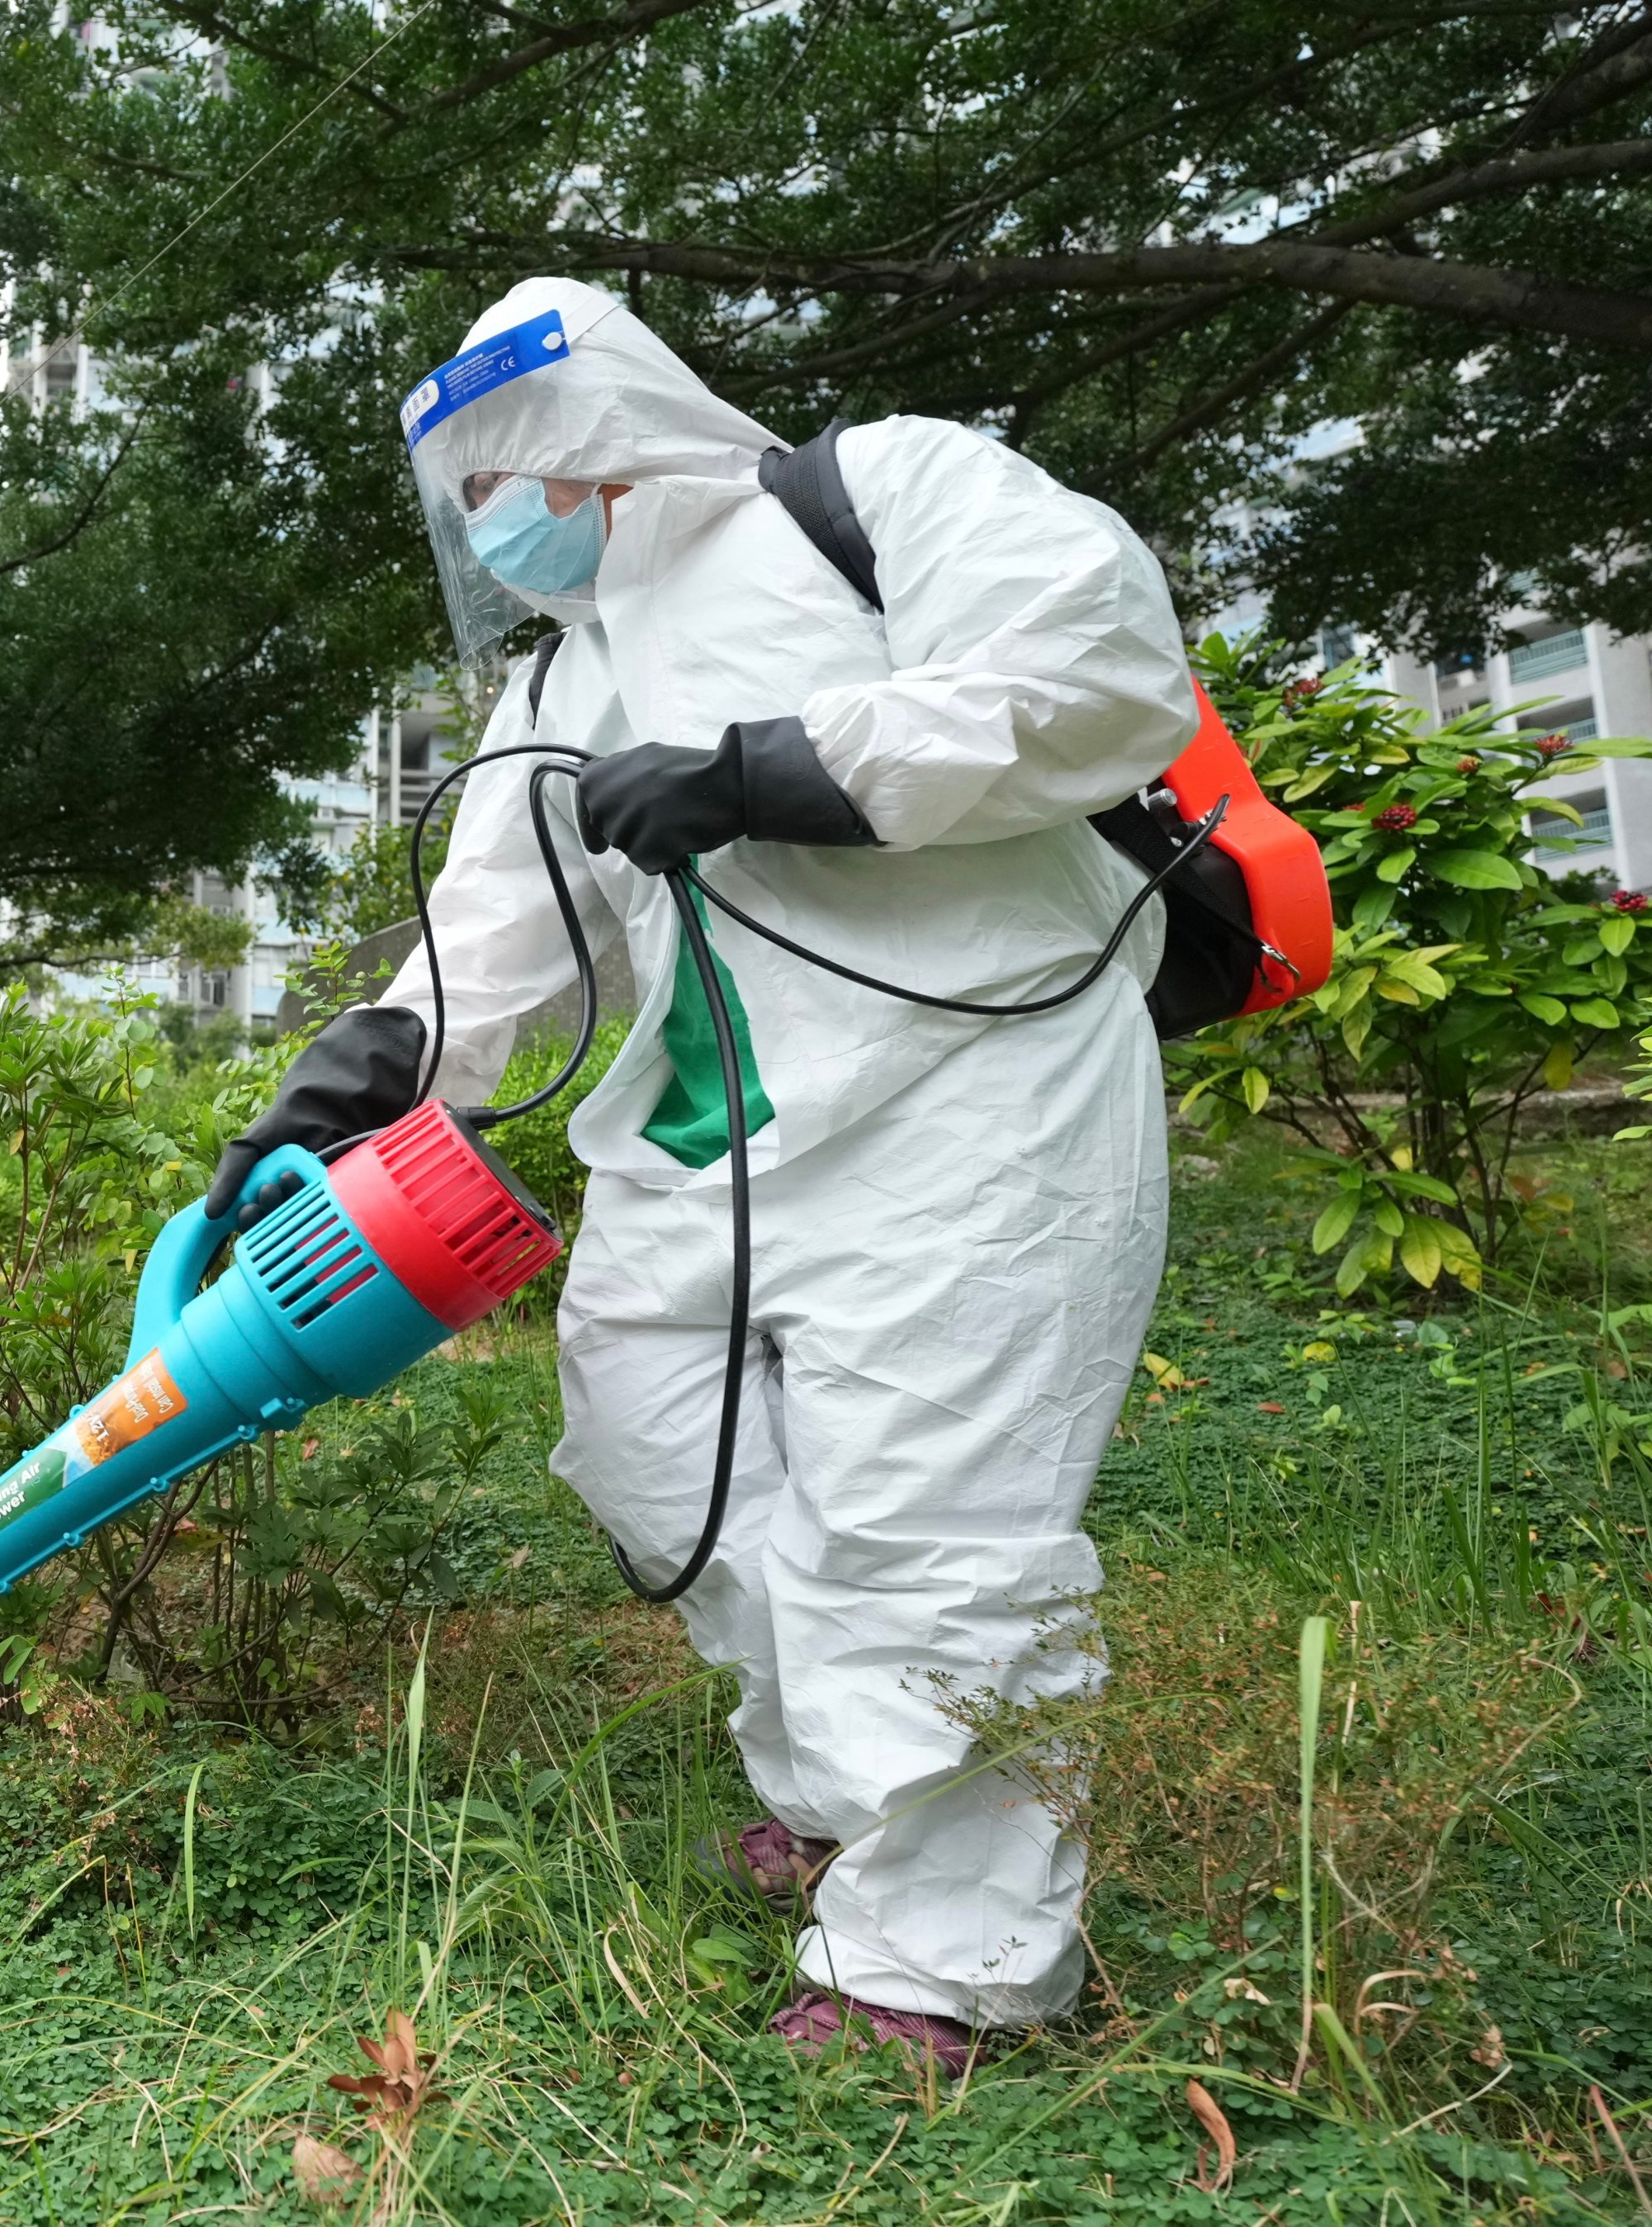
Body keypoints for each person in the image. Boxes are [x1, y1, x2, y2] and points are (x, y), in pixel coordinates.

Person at [215, 277, 1197, 2068]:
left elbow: (1098, 674)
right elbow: (490, 946)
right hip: (712, 1141)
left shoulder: (874, 495)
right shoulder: (558, 676)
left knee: (929, 1531)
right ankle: (843, 1790)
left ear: (598, 435)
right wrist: (331, 1096)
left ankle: (942, 1969)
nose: (500, 528)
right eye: (470, 506)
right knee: (652, 1451)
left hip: (973, 1095)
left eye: (517, 477)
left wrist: (769, 772)